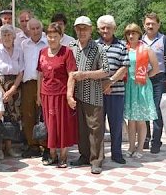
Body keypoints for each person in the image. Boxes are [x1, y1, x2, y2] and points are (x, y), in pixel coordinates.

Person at [68, 16, 110, 174]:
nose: (82, 31)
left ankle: (97, 160)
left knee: (95, 128)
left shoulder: (98, 48)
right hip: (76, 95)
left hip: (93, 94)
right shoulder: (71, 46)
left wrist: (85, 75)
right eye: (79, 28)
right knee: (81, 128)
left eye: (85, 28)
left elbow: (106, 70)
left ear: (91, 30)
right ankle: (84, 156)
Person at [37, 22, 78, 167]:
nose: (52, 39)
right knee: (50, 126)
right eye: (49, 36)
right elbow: (40, 75)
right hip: (46, 94)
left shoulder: (67, 52)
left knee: (63, 125)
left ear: (61, 37)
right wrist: (38, 96)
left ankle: (64, 156)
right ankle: (52, 155)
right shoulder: (42, 52)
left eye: (55, 36)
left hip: (61, 94)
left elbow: (71, 75)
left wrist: (69, 95)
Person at [142, 13, 166, 153]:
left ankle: (156, 142)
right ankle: (145, 138)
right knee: (144, 110)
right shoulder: (140, 40)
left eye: (153, 23)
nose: (150, 26)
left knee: (157, 110)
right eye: (148, 24)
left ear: (158, 25)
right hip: (143, 79)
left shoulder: (165, 40)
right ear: (144, 25)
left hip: (159, 79)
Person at [0, 24, 24, 159]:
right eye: (4, 35)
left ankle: (10, 147)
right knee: (0, 115)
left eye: (9, 35)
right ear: (0, 37)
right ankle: (0, 148)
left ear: (14, 36)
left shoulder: (19, 50)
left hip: (15, 87)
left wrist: (13, 89)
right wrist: (3, 92)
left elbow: (21, 72)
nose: (7, 38)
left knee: (13, 117)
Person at [96, 15, 129, 165]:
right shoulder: (94, 45)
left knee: (116, 124)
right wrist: (102, 83)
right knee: (98, 125)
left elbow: (124, 67)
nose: (105, 30)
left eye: (108, 27)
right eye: (102, 28)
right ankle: (98, 154)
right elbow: (92, 67)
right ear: (98, 29)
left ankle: (116, 153)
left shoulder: (122, 46)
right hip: (97, 93)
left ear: (114, 29)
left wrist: (109, 82)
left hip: (116, 92)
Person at [124, 23, 159, 158]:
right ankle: (131, 146)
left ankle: (140, 148)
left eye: (134, 33)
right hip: (129, 86)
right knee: (131, 120)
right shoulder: (124, 48)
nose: (131, 36)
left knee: (141, 120)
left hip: (142, 87)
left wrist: (145, 77)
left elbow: (156, 68)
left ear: (139, 34)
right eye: (128, 33)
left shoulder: (146, 49)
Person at [21, 18, 48, 158]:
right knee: (28, 115)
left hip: (45, 83)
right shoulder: (24, 44)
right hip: (28, 84)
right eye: (33, 29)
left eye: (38, 28)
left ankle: (46, 146)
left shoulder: (48, 43)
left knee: (45, 115)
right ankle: (32, 145)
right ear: (28, 30)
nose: (36, 31)